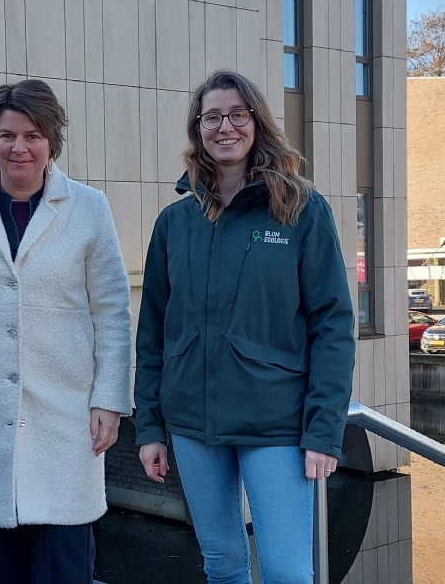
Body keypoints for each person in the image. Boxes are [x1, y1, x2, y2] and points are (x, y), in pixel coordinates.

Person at [134, 70, 355, 584]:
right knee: (223, 564)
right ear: (198, 129)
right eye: (211, 117)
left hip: (275, 422)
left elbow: (333, 326)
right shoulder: (175, 222)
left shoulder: (301, 210)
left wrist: (324, 430)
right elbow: (153, 332)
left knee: (286, 572)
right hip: (193, 424)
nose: (225, 127)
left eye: (237, 114)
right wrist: (150, 427)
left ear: (257, 123)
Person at [0, 79, 132, 584]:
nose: (19, 147)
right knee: (2, 562)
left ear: (51, 141)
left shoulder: (88, 208)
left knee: (67, 562)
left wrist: (109, 400)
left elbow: (112, 311)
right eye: (7, 134)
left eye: (33, 135)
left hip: (66, 411)